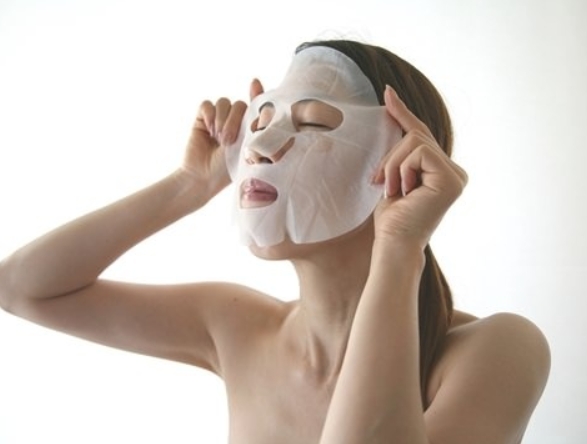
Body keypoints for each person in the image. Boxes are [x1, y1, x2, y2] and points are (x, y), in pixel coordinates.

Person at [0, 39, 550, 443]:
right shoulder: (234, 325)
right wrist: (190, 184)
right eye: (261, 121)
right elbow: (22, 288)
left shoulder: (498, 350)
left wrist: (401, 246)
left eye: (313, 124)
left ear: (402, 163)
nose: (262, 146)